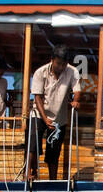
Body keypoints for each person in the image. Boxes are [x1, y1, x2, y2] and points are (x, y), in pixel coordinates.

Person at [29, 44, 81, 180]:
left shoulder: (72, 71)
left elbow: (77, 89)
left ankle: (53, 179)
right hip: (40, 113)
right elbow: (38, 97)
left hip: (59, 116)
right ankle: (30, 172)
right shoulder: (40, 72)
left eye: (63, 64)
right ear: (52, 60)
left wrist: (75, 100)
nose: (60, 67)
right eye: (58, 63)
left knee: (54, 149)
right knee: (33, 141)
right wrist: (45, 118)